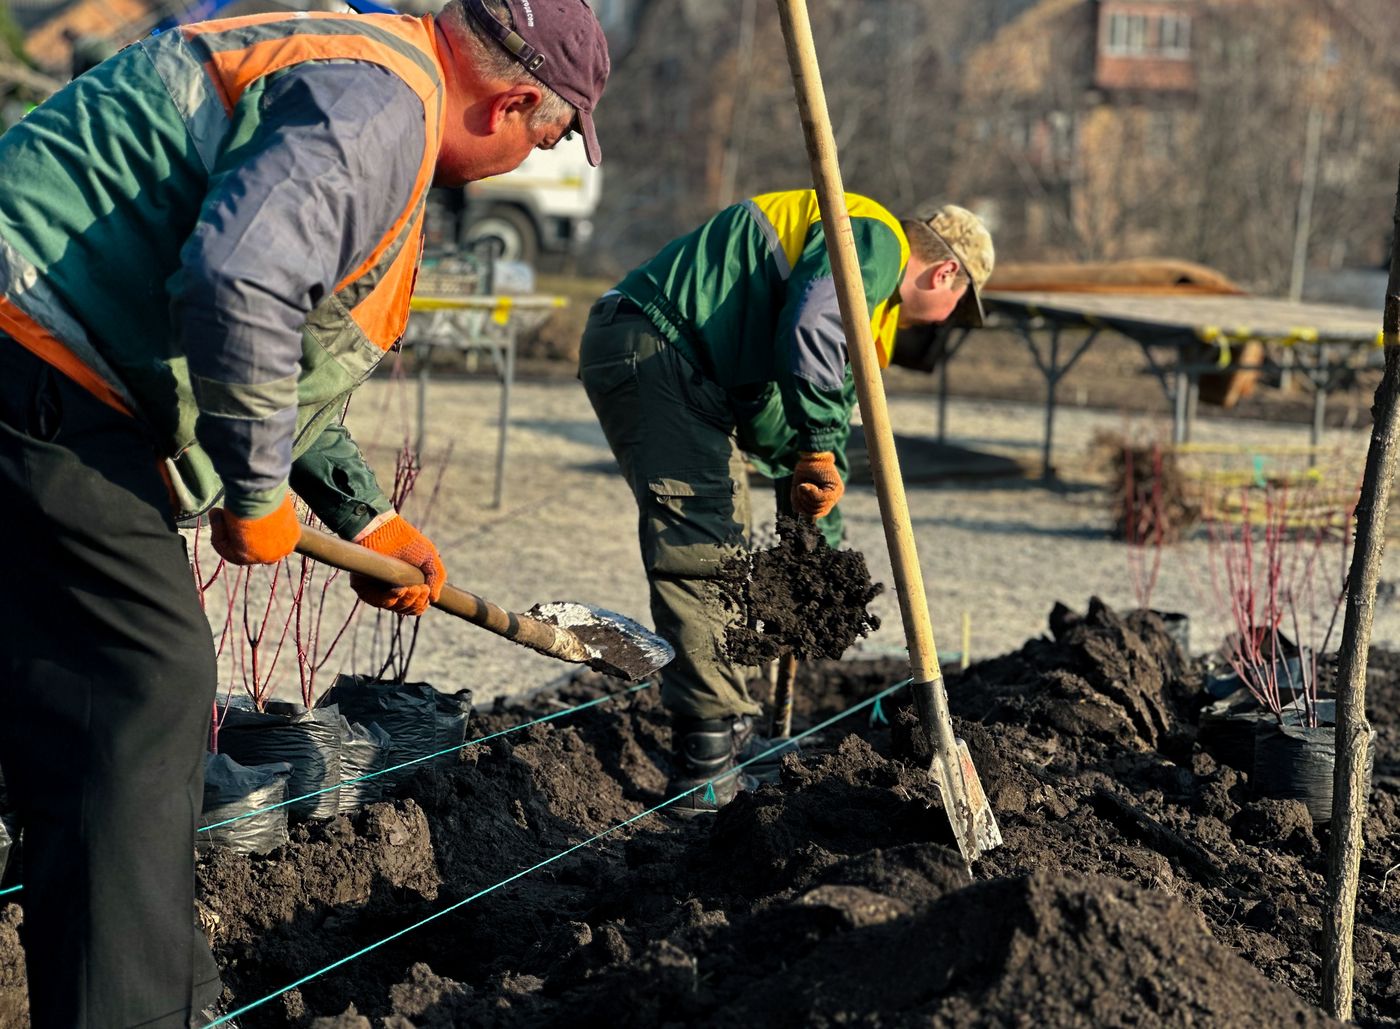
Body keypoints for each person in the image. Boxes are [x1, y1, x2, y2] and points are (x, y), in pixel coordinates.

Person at [0, 0, 608, 1024]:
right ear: (509, 102)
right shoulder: (379, 107)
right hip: (34, 348)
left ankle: (165, 998)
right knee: (147, 686)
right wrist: (252, 489)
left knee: (98, 715)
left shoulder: (380, 101)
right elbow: (240, 282)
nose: (531, 158)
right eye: (548, 137)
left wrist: (364, 523)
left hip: (47, 356)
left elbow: (295, 350)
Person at [578, 191, 993, 815]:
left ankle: (725, 734)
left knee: (726, 544)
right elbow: (811, 331)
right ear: (945, 273)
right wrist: (821, 444)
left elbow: (783, 429)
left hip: (682, 360)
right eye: (957, 307)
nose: (942, 322)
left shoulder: (862, 301)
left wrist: (822, 558)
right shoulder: (876, 240)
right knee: (704, 551)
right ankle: (705, 772)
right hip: (658, 344)